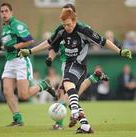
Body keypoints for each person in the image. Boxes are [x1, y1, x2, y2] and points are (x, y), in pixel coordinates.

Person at [18, 5, 132, 133]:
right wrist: (29, 51)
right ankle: (85, 126)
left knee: (66, 89)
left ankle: (73, 113)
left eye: (69, 24)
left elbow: (104, 41)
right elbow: (49, 43)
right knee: (70, 96)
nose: (67, 27)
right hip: (68, 65)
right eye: (65, 25)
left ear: (74, 20)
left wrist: (120, 51)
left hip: (79, 66)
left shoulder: (84, 30)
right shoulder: (61, 30)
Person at [0, 3, 55, 127]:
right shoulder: (5, 29)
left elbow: (29, 40)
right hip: (9, 62)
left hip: (21, 60)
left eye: (6, 11)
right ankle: (18, 119)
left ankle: (43, 85)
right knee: (7, 91)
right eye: (2, 11)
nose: (4, 13)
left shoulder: (17, 25)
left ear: (11, 12)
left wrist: (14, 47)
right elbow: (8, 47)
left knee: (24, 95)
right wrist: (1, 47)